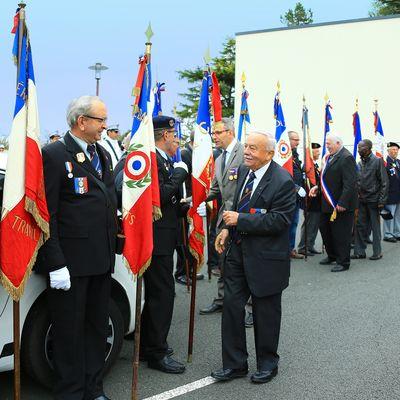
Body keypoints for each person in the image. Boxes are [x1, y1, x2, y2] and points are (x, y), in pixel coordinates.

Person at [36, 95, 117, 400]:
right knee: (68, 334)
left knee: (96, 329)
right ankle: (70, 393)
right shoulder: (56, 154)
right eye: (101, 120)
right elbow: (48, 214)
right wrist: (55, 262)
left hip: (100, 260)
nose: (105, 126)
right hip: (70, 265)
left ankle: (93, 389)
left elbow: (106, 203)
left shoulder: (102, 154)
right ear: (82, 121)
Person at [211, 131, 295, 384]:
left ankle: (268, 364)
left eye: (253, 148)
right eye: (246, 146)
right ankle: (235, 364)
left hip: (266, 260)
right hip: (238, 254)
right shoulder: (246, 173)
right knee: (232, 309)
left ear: (269, 154)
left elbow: (280, 220)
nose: (246, 152)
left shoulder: (283, 181)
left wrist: (241, 220)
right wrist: (227, 228)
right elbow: (238, 207)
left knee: (265, 314)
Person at [139, 115, 188, 374]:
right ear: (166, 136)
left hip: (163, 235)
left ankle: (149, 344)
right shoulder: (152, 160)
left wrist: (181, 208)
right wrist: (180, 174)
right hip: (155, 240)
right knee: (162, 295)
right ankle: (156, 351)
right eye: (175, 135)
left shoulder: (162, 160)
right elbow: (157, 195)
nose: (176, 140)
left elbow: (163, 203)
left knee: (158, 294)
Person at [198, 118, 245, 319]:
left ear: (230, 132)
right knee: (223, 260)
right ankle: (222, 300)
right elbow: (215, 189)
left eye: (218, 133)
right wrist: (192, 199)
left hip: (242, 218)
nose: (214, 137)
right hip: (224, 219)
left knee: (244, 263)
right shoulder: (219, 159)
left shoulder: (244, 153)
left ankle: (249, 307)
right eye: (213, 133)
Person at [310, 134, 357, 272]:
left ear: (338, 143)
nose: (327, 146)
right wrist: (318, 187)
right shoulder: (330, 157)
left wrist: (343, 202)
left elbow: (350, 184)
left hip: (340, 205)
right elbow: (326, 178)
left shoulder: (346, 157)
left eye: (329, 143)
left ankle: (343, 262)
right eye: (326, 144)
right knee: (325, 230)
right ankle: (332, 255)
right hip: (326, 203)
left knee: (341, 234)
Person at [352, 139, 388, 260]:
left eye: (360, 147)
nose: (358, 150)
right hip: (362, 200)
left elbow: (384, 182)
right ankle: (359, 252)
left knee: (375, 227)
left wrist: (382, 201)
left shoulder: (377, 161)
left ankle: (377, 252)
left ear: (368, 148)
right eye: (358, 147)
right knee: (360, 226)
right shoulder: (359, 163)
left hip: (374, 200)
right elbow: (358, 181)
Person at [298, 143, 322, 256]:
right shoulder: (307, 166)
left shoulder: (316, 165)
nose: (318, 153)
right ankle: (303, 247)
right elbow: (306, 183)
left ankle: (310, 245)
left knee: (314, 224)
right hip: (311, 199)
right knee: (309, 224)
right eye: (316, 151)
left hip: (317, 200)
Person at [288, 130, 306, 259]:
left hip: (296, 196)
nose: (298, 142)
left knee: (294, 223)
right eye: (295, 140)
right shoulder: (284, 156)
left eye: (298, 140)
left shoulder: (295, 155)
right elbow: (284, 175)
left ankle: (290, 249)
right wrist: (296, 187)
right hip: (288, 195)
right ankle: (284, 249)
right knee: (287, 224)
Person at [383, 142, 400, 242]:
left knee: (397, 215)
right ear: (388, 151)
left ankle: (397, 233)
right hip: (390, 194)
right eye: (393, 150)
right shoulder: (385, 163)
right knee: (389, 215)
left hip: (398, 194)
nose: (395, 151)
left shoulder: (398, 162)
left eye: (396, 150)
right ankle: (388, 234)